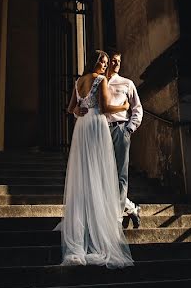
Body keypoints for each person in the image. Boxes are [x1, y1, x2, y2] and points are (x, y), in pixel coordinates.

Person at [56, 50, 134, 268]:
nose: (105, 65)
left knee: (84, 172)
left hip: (82, 127)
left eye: (107, 62)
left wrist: (79, 112)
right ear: (96, 62)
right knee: (99, 172)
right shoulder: (100, 80)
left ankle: (85, 222)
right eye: (103, 61)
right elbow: (107, 107)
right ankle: (97, 226)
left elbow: (70, 108)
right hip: (97, 125)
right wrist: (125, 107)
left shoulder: (79, 81)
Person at [104, 52, 143, 228]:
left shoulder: (127, 83)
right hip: (102, 131)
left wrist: (129, 128)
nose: (116, 64)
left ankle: (116, 217)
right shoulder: (100, 82)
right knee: (103, 174)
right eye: (113, 60)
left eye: (119, 61)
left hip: (120, 129)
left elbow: (137, 109)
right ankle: (131, 207)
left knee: (120, 175)